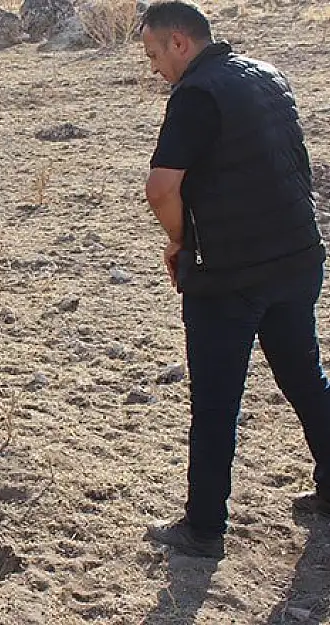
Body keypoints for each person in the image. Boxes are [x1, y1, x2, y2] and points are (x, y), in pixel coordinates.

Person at [142, 0, 330, 559]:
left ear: (180, 42)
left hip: (228, 274)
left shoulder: (196, 95)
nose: (153, 67)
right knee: (306, 377)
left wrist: (178, 241)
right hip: (297, 257)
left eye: (154, 54)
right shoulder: (268, 75)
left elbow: (161, 188)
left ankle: (203, 530)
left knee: (217, 400)